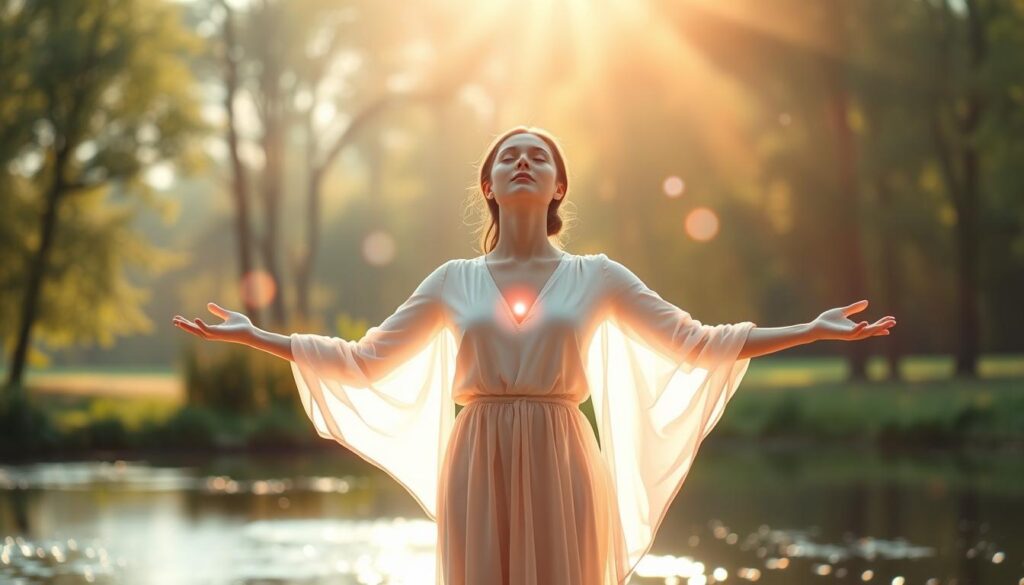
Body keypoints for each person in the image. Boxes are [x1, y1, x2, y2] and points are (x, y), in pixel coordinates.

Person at [173, 126, 896, 585]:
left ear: (557, 186)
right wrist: (254, 336)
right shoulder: (452, 280)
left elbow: (699, 342)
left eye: (538, 156)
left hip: (562, 455)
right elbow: (364, 361)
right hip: (476, 457)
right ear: (489, 185)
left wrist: (812, 329)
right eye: (509, 157)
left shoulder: (599, 276)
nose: (523, 162)